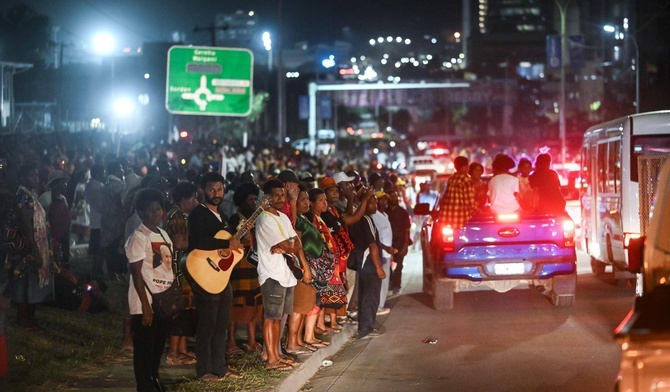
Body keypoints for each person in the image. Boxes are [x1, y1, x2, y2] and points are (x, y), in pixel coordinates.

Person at [188, 172, 244, 381]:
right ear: (202, 190)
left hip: (220, 276)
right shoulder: (197, 214)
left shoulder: (221, 216)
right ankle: (204, 370)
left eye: (219, 189)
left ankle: (220, 367)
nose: (216, 193)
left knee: (222, 324)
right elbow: (200, 241)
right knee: (207, 325)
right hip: (204, 276)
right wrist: (226, 244)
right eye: (211, 189)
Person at [125, 188, 173, 392]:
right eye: (151, 210)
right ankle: (144, 385)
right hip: (145, 301)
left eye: (159, 209)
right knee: (144, 348)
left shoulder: (162, 234)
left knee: (157, 346)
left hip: (163, 300)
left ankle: (154, 379)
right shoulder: (139, 237)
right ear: (141, 212)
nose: (157, 213)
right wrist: (145, 306)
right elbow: (136, 273)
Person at [255, 178, 301, 371]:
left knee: (278, 318)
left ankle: (276, 355)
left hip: (286, 274)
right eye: (277, 195)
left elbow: (296, 242)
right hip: (271, 274)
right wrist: (288, 246)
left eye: (283, 194)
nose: (282, 198)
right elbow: (290, 244)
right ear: (267, 197)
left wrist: (288, 246)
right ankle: (271, 359)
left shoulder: (282, 217)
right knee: (270, 317)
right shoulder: (264, 219)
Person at [4, 164, 56, 332]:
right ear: (22, 178)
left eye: (36, 175)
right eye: (31, 175)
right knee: (23, 284)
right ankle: (22, 321)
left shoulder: (30, 195)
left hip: (34, 246)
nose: (36, 178)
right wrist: (35, 250)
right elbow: (26, 225)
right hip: (26, 248)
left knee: (32, 284)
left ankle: (30, 320)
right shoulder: (22, 197)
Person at [226, 182, 264, 356]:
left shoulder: (258, 218)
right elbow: (233, 240)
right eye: (250, 200)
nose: (254, 203)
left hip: (254, 265)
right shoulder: (234, 219)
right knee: (236, 304)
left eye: (256, 200)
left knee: (254, 302)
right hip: (238, 267)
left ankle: (251, 340)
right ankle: (231, 342)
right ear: (241, 202)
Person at [164, 182, 199, 366]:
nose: (196, 201)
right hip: (178, 270)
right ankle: (173, 352)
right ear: (185, 199)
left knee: (187, 309)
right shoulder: (176, 216)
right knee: (180, 310)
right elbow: (178, 244)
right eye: (194, 197)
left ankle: (183, 349)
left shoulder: (180, 214)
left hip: (183, 269)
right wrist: (200, 243)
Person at [350, 194, 385, 339]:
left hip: (361, 262)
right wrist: (378, 267)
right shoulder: (366, 219)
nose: (375, 206)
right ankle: (366, 328)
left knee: (364, 294)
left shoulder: (357, 220)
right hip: (369, 262)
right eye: (372, 203)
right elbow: (372, 244)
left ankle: (363, 325)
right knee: (371, 296)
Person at [370, 191, 396, 316]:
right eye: (381, 200)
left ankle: (381, 304)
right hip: (382, 252)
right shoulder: (375, 216)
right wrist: (386, 249)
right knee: (381, 281)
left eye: (385, 200)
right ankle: (378, 306)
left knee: (385, 281)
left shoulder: (384, 214)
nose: (384, 202)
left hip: (387, 253)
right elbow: (376, 237)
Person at [101, 160, 127, 281]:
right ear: (116, 170)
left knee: (110, 247)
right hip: (117, 221)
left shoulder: (106, 184)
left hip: (107, 221)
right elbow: (122, 204)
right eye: (121, 168)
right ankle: (117, 272)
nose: (123, 170)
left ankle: (112, 272)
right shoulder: (119, 185)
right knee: (118, 247)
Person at [437, 156, 475, 229]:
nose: (468, 168)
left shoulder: (451, 178)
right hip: (460, 218)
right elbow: (470, 202)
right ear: (463, 167)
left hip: (447, 218)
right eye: (467, 166)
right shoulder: (466, 179)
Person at [45, 171, 72, 268]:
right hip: (52, 234)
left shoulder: (63, 198)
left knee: (63, 257)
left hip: (64, 233)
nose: (65, 185)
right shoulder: (46, 198)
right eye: (63, 183)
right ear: (55, 184)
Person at [387, 189, 411, 296]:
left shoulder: (403, 212)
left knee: (399, 264)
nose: (393, 198)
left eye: (395, 196)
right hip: (387, 242)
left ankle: (397, 284)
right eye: (391, 196)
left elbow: (407, 230)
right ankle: (391, 282)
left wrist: (405, 245)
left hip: (400, 242)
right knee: (387, 264)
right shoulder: (385, 212)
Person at [85, 163, 106, 277]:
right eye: (103, 173)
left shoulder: (89, 185)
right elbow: (101, 205)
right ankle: (97, 271)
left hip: (94, 221)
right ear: (98, 174)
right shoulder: (99, 186)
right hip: (100, 221)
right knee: (100, 249)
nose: (104, 175)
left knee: (96, 249)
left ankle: (96, 269)